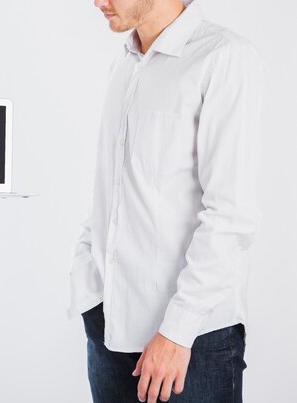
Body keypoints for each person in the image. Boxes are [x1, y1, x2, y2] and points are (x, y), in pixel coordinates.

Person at [68, 0, 264, 402]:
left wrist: (177, 330)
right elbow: (113, 190)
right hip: (109, 329)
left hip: (191, 343)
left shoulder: (223, 57)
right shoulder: (124, 66)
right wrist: (88, 287)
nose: (97, 1)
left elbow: (230, 215)